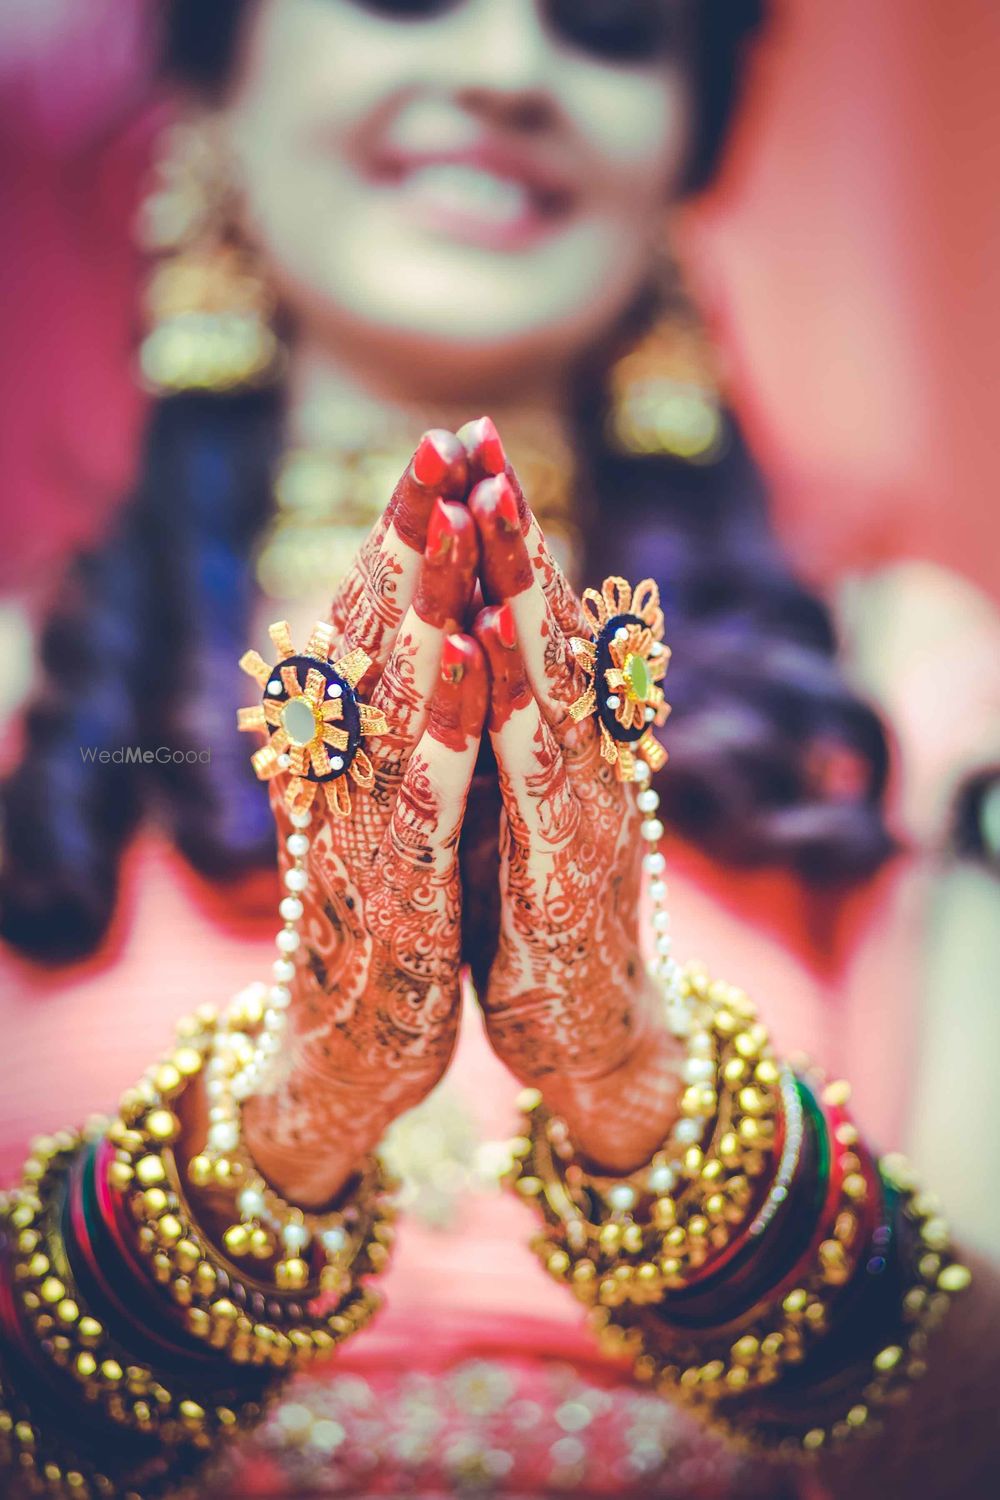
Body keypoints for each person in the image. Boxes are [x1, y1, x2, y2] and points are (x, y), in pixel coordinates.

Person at [0, 3, 996, 1496]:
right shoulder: (21, 697)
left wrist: (651, 1102)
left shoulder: (902, 693)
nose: (507, 72)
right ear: (215, 76)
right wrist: (291, 1126)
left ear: (688, 148)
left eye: (607, 28)